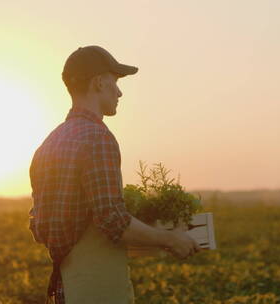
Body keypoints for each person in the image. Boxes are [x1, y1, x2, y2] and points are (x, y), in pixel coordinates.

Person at [28, 45, 201, 304]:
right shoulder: (98, 138)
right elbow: (113, 219)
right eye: (115, 82)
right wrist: (170, 239)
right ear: (98, 83)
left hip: (67, 286)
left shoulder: (48, 145)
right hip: (99, 290)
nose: (119, 92)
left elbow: (40, 226)